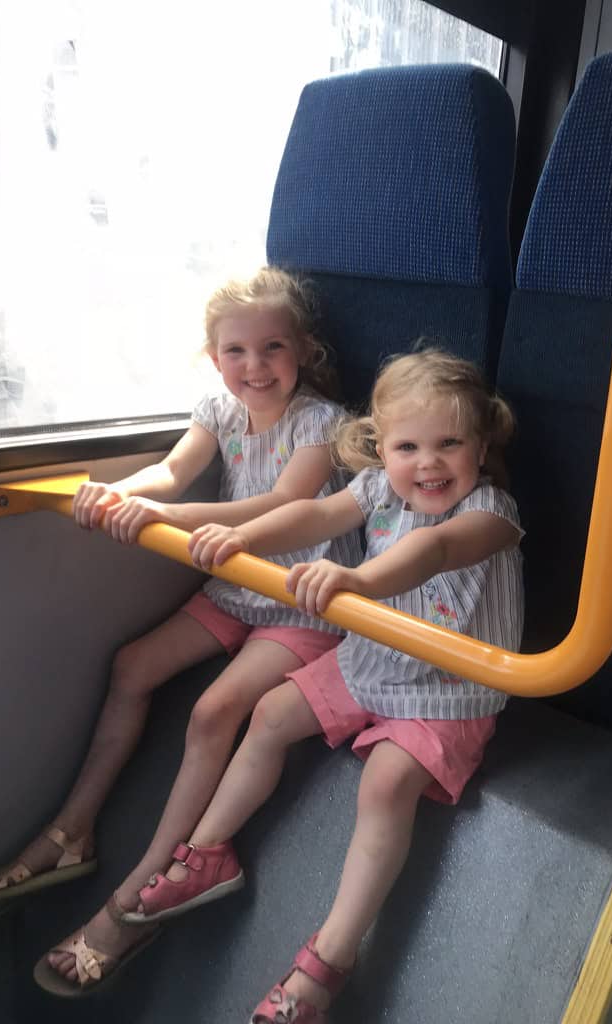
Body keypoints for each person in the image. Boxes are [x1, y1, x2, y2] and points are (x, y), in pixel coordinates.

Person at [35, 347, 524, 1010]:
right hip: (371, 660)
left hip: (447, 688)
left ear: (481, 444)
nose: (428, 463)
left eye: (450, 444)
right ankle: (205, 855)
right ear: (382, 447)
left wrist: (357, 579)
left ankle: (328, 961)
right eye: (407, 446)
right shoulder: (380, 485)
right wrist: (245, 538)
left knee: (386, 783)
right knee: (267, 715)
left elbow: (431, 549)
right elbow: (318, 516)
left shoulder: (492, 512)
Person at [0, 266, 362, 933]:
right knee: (133, 666)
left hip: (300, 599)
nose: (256, 365)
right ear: (215, 360)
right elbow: (174, 471)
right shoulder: (217, 409)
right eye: (236, 352)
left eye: (273, 347)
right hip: (242, 586)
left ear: (303, 351)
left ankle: (145, 880)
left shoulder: (322, 424)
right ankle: (74, 830)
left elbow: (285, 502)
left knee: (215, 711)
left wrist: (176, 519)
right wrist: (122, 492)